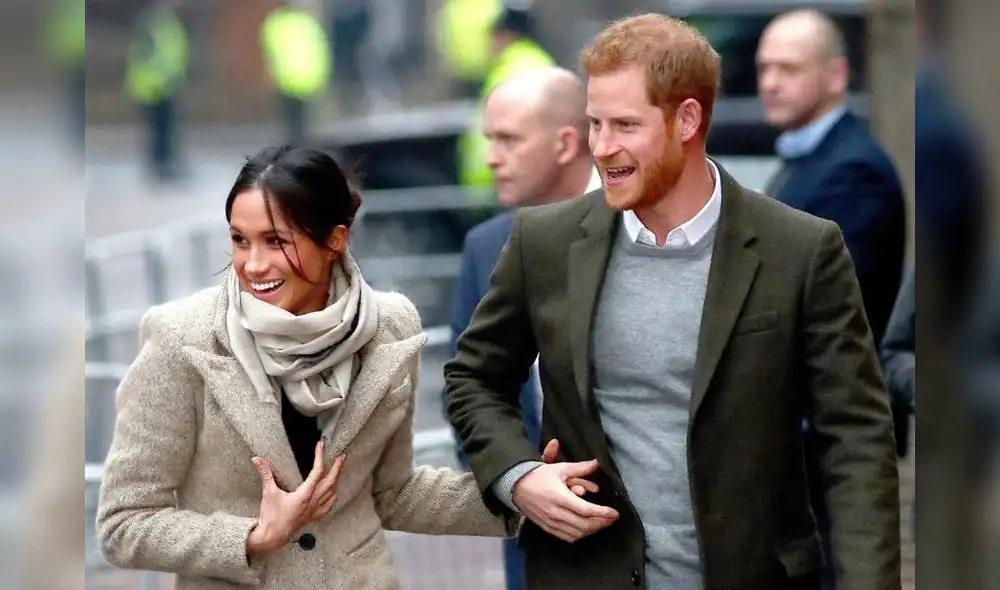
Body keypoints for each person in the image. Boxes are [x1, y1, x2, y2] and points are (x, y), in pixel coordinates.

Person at [445, 13, 900, 590]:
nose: (602, 148)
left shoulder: (802, 250)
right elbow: (472, 377)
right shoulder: (544, 241)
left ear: (687, 119)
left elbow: (855, 441)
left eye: (625, 126)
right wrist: (518, 476)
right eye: (594, 124)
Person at [97, 145, 517, 590]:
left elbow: (394, 492)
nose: (253, 264)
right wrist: (253, 537)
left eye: (276, 241)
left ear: (335, 240)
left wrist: (522, 494)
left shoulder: (390, 326)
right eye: (241, 239)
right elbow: (124, 523)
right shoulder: (181, 338)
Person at [448, 66, 600, 590]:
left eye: (509, 139)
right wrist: (517, 481)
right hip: (538, 532)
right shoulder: (485, 248)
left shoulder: (639, 223)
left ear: (565, 143)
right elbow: (470, 390)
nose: (491, 157)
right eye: (489, 139)